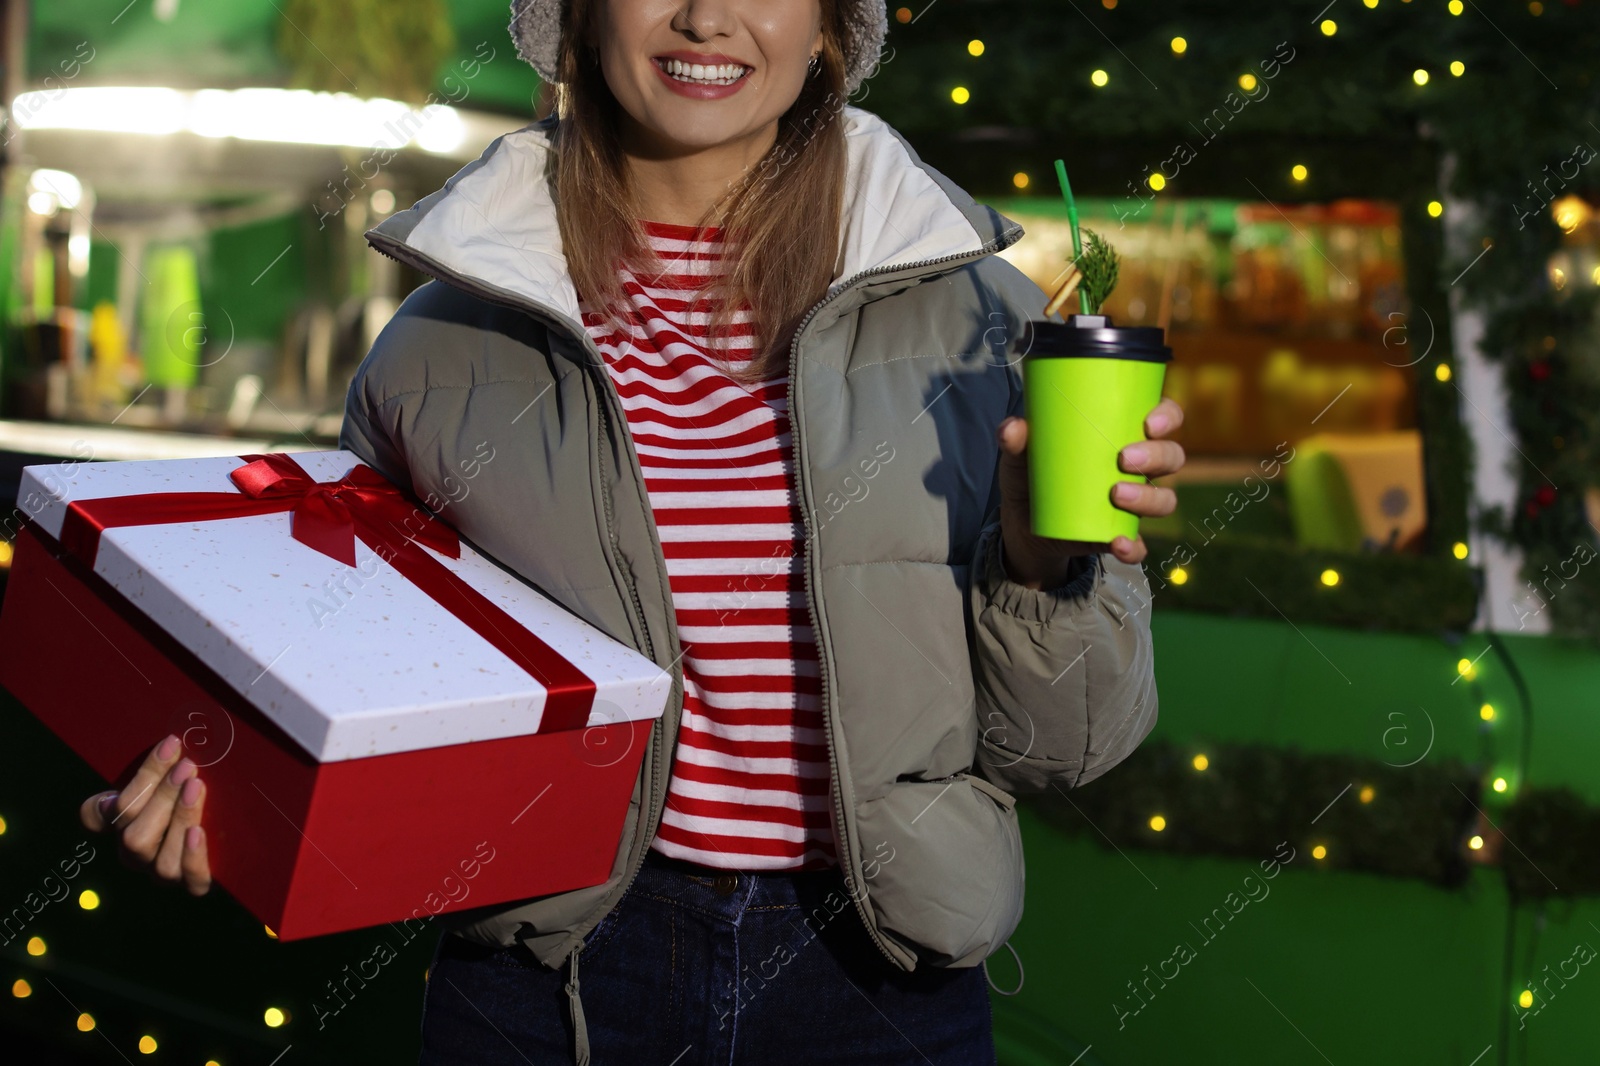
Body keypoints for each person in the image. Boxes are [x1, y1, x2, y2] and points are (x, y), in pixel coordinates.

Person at [79, 0, 1184, 1061]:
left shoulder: (979, 322)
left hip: (879, 980)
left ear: (832, 25)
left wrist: (1045, 571)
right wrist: (217, 787)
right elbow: (359, 683)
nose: (706, 18)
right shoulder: (440, 346)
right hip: (548, 972)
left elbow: (1066, 748)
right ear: (577, 12)